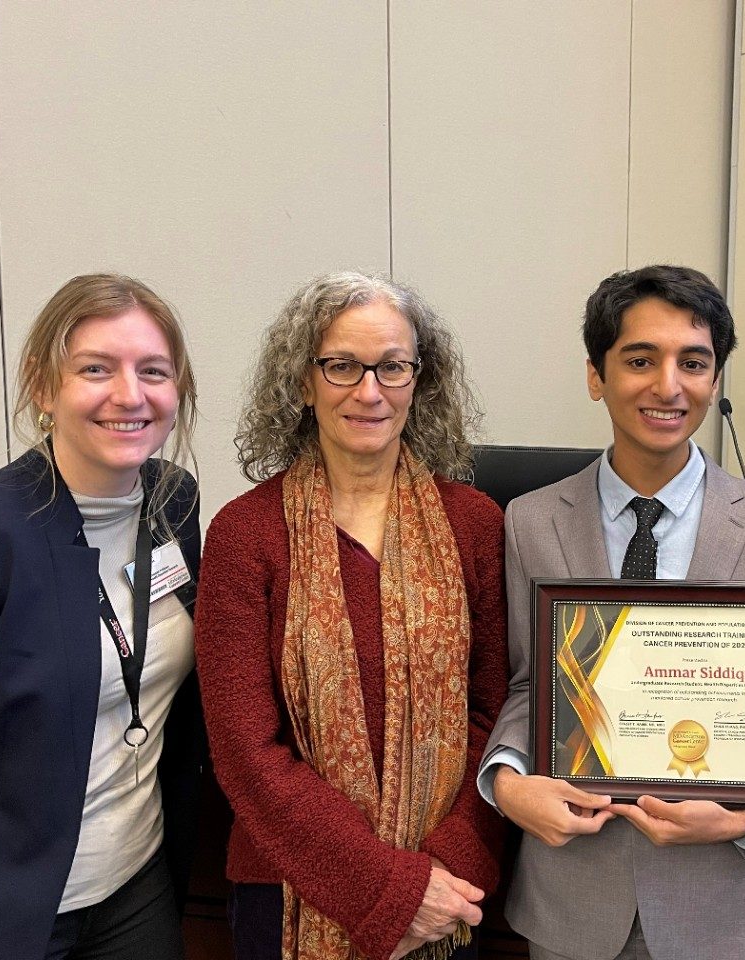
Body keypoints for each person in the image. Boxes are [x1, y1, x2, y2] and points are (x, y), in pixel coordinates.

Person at [479, 264, 745, 960]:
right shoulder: (529, 523)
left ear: (715, 378)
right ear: (597, 376)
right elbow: (529, 684)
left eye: (694, 362)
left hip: (721, 901)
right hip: (574, 895)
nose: (668, 385)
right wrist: (506, 779)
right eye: (640, 360)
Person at [0, 274, 203, 960]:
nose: (129, 394)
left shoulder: (173, 505)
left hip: (134, 892)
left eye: (153, 371)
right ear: (41, 385)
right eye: (95, 369)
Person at [194, 272, 507, 960]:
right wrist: (388, 893)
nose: (369, 392)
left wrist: (441, 881)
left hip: (449, 892)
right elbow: (246, 751)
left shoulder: (475, 525)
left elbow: (497, 715)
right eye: (341, 366)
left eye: (393, 367)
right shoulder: (245, 535)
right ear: (302, 382)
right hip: (288, 891)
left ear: (420, 380)